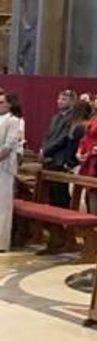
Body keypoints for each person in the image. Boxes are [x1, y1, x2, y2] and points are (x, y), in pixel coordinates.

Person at [0, 94, 23, 250]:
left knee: (2, 205)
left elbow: (8, 146)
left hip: (4, 167)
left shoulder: (13, 120)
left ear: (9, 104)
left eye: (1, 102)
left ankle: (2, 242)